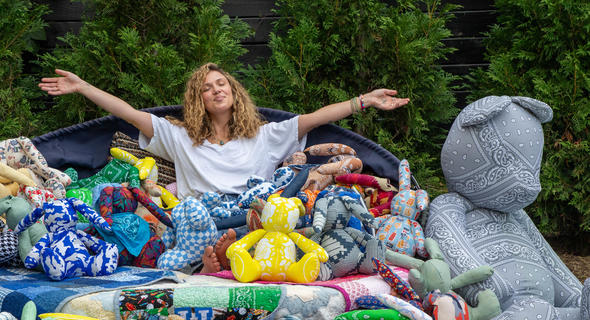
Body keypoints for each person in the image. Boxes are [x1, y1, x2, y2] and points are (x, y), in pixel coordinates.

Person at [39, 62, 409, 272]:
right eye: (206, 87)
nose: (216, 89)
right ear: (196, 100)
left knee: (288, 191)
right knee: (182, 220)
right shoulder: (178, 137)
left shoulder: (266, 136)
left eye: (222, 83)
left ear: (234, 92)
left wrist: (365, 101)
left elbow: (314, 118)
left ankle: (222, 259)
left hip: (255, 212)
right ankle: (213, 260)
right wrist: (83, 85)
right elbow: (128, 113)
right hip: (200, 217)